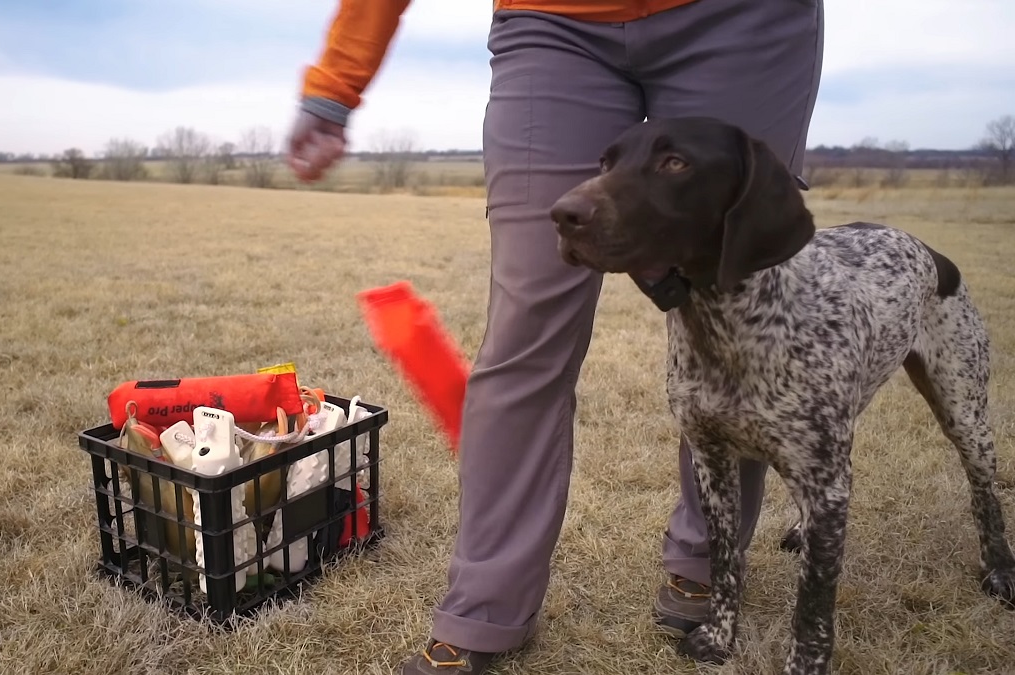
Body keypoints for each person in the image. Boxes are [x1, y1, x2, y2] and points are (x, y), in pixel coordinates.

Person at [285, 0, 824, 672]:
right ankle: (484, 606)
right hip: (553, 23)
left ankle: (704, 559)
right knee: (524, 331)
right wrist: (335, 85)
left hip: (741, 20)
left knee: (737, 311)